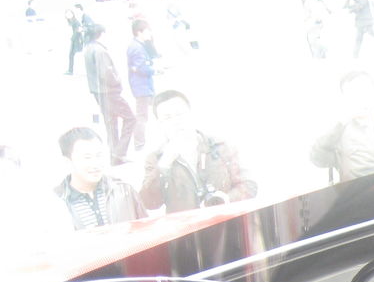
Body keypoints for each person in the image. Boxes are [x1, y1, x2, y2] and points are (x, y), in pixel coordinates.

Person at [139, 90, 256, 212]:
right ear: (160, 124)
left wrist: (227, 199)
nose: (176, 121)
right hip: (186, 224)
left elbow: (249, 185)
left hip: (226, 220)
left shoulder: (220, 147)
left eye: (180, 114)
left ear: (191, 114)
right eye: (167, 118)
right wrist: (164, 165)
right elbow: (149, 203)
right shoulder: (156, 159)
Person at [310, 70, 374, 183]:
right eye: (354, 93)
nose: (361, 98)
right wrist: (339, 126)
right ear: (346, 99)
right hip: (362, 192)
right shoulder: (339, 133)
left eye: (364, 90)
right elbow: (317, 159)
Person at [53, 127, 145, 229]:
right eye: (87, 157)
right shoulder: (56, 203)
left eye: (99, 155)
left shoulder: (124, 191)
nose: (96, 164)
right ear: (68, 162)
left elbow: (147, 230)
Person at [82, 23, 136, 164]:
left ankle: (114, 154)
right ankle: (119, 153)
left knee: (111, 123)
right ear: (101, 34)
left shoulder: (88, 48)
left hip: (98, 92)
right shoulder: (100, 50)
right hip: (109, 91)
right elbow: (106, 73)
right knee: (130, 118)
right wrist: (117, 81)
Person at [126, 19, 158, 152]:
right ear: (139, 32)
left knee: (157, 108)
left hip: (143, 85)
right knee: (142, 116)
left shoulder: (138, 45)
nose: (149, 33)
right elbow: (141, 68)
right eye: (147, 31)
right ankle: (139, 144)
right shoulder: (137, 48)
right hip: (142, 86)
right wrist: (154, 69)